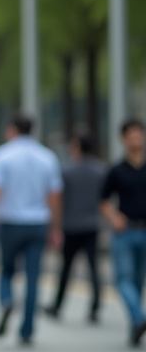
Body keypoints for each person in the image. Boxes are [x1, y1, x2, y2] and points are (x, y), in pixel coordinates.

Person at [0, 113, 62, 346]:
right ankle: (27, 329)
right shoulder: (47, 157)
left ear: (12, 129)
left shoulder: (2, 155)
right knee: (33, 276)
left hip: (10, 222)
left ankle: (6, 300)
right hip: (38, 222)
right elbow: (54, 196)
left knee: (6, 270)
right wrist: (55, 228)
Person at [44, 132, 105, 324]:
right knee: (93, 267)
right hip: (92, 224)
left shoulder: (67, 170)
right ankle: (95, 306)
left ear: (77, 147)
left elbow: (59, 200)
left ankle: (58, 304)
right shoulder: (100, 170)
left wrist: (55, 225)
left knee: (66, 268)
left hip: (71, 225)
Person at [99, 119, 146, 348]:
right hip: (125, 232)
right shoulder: (117, 170)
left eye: (139, 135)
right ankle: (140, 318)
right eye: (131, 135)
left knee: (137, 282)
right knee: (123, 280)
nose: (136, 139)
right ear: (123, 139)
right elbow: (103, 200)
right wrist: (114, 217)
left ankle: (135, 327)